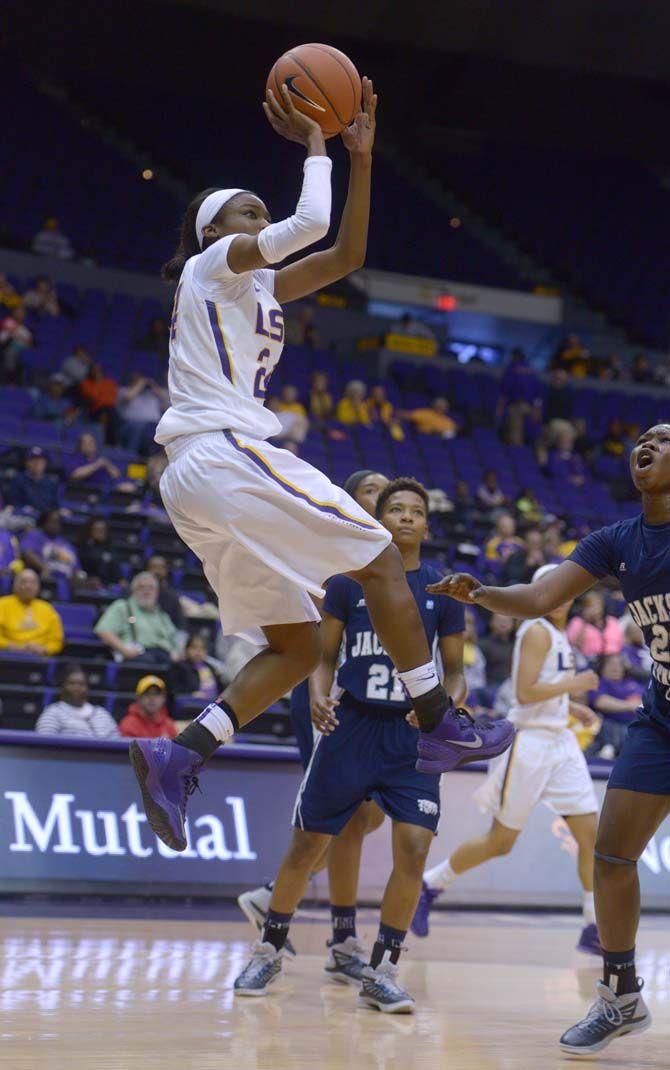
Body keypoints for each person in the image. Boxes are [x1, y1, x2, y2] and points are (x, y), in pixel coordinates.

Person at [128, 78, 511, 859]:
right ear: (212, 231)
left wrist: (361, 158)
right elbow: (311, 221)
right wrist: (315, 146)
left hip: (197, 479)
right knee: (378, 558)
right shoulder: (213, 266)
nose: (260, 222)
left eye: (258, 216)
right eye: (246, 214)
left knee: (298, 645)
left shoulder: (256, 286)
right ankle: (437, 724)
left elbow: (347, 252)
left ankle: (181, 754)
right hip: (224, 452)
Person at [427, 423, 670, 1054]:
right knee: (611, 855)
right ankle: (620, 995)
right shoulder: (617, 540)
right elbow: (539, 596)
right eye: (642, 438)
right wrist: (481, 593)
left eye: (664, 439)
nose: (647, 444)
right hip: (661, 717)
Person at [233, 477, 467, 1008]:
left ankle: (383, 968)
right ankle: (268, 950)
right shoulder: (346, 584)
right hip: (353, 726)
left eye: (416, 510)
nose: (406, 517)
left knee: (413, 846)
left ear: (427, 525)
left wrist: (444, 706)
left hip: (412, 738)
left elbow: (455, 672)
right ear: (379, 521)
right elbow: (323, 655)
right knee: (309, 843)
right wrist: (319, 695)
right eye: (396, 509)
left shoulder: (440, 591)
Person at [412, 564, 601, 954]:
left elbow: (545, 694)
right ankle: (430, 884)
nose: (564, 597)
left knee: (591, 837)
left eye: (568, 591)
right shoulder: (534, 630)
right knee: (501, 842)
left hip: (560, 742)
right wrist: (575, 685)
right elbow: (525, 693)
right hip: (528, 744)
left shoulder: (557, 634)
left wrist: (570, 708)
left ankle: (593, 925)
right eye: (555, 590)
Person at [237, 468, 389, 949]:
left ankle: (278, 903)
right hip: (325, 692)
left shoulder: (387, 562)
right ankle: (331, 931)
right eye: (371, 490)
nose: (383, 496)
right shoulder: (330, 553)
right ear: (348, 500)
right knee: (343, 813)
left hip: (368, 699)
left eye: (388, 490)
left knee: (365, 816)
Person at [95, 570, 179, 666]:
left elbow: (174, 638)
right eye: (142, 587)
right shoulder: (123, 607)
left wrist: (175, 653)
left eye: (151, 588)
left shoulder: (161, 615)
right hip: (140, 657)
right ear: (133, 590)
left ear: (157, 592)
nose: (147, 591)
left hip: (165, 657)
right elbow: (103, 631)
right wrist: (124, 650)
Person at [587, 653, 646, 759]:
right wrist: (631, 706)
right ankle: (610, 749)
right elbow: (600, 701)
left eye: (619, 664)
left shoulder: (634, 683)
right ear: (602, 667)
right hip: (614, 726)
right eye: (611, 664)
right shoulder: (599, 683)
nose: (616, 667)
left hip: (640, 725)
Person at [36, 664, 118, 738]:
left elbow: (116, 744)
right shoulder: (52, 712)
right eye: (71, 683)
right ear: (63, 686)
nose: (76, 688)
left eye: (81, 684)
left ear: (87, 688)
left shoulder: (102, 713)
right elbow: (43, 745)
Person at [0, 568, 64, 656]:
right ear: (14, 585)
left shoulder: (47, 609)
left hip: (40, 658)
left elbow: (57, 640)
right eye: (23, 582)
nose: (28, 586)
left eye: (33, 583)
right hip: (7, 656)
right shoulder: (2, 604)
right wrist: (12, 646)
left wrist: (44, 649)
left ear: (38, 587)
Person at [20, 509, 81, 581]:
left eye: (58, 522)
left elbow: (76, 568)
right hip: (45, 579)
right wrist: (43, 567)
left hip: (67, 581)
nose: (55, 525)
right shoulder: (35, 535)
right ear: (44, 522)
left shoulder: (67, 544)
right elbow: (27, 552)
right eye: (52, 521)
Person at [567, 589, 624, 660]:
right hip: (589, 660)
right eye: (589, 606)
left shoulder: (612, 621)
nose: (593, 609)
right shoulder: (577, 622)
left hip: (612, 659)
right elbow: (575, 646)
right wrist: (585, 623)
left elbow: (621, 643)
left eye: (596, 605)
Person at [117, 374, 168, 453]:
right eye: (137, 381)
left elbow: (166, 401)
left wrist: (153, 386)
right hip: (131, 425)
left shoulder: (154, 394)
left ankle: (156, 458)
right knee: (139, 427)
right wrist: (140, 384)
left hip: (154, 426)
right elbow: (128, 397)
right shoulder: (124, 391)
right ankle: (131, 456)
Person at [64, 432, 132, 491]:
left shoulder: (101, 458)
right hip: (85, 490)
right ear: (80, 446)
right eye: (85, 443)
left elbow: (117, 475)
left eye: (91, 442)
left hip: (108, 489)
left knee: (129, 487)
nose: (89, 445)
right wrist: (96, 465)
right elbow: (75, 475)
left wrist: (108, 465)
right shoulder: (76, 458)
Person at [170, 634, 225, 701]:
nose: (198, 651)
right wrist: (191, 694)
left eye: (202, 648)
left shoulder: (211, 667)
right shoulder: (179, 667)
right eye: (194, 647)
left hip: (214, 703)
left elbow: (221, 690)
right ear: (187, 649)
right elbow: (174, 691)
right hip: (192, 704)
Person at [7, 447, 60, 516]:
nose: (37, 463)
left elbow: (55, 505)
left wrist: (59, 510)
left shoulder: (50, 483)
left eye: (40, 460)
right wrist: (23, 508)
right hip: (25, 517)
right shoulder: (17, 480)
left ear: (45, 463)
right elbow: (14, 503)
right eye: (33, 460)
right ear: (27, 463)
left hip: (45, 519)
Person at [79, 517, 123, 587]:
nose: (101, 533)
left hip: (111, 584)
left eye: (103, 530)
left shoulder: (111, 549)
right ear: (91, 531)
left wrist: (121, 580)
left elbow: (116, 568)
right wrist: (89, 579)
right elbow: (80, 570)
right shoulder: (84, 548)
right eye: (97, 530)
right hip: (90, 584)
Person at [146, 555, 186, 631]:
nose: (157, 571)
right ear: (147, 570)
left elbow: (181, 625)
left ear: (166, 571)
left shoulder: (172, 597)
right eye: (154, 567)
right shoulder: (136, 592)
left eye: (161, 568)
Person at [479, 613, 515, 687]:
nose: (503, 623)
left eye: (507, 621)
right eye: (499, 620)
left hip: (512, 684)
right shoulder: (483, 645)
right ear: (491, 622)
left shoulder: (516, 644)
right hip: (491, 685)